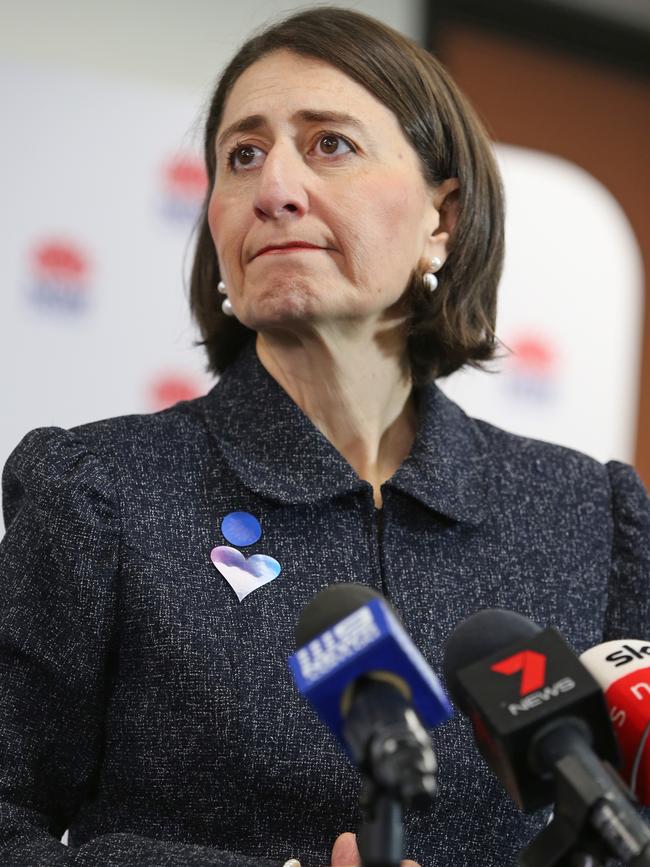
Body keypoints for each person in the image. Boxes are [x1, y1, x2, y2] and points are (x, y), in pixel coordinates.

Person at [1, 7, 648, 867]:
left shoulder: (588, 515)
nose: (275, 188)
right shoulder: (99, 490)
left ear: (440, 219)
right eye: (243, 154)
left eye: (329, 144)